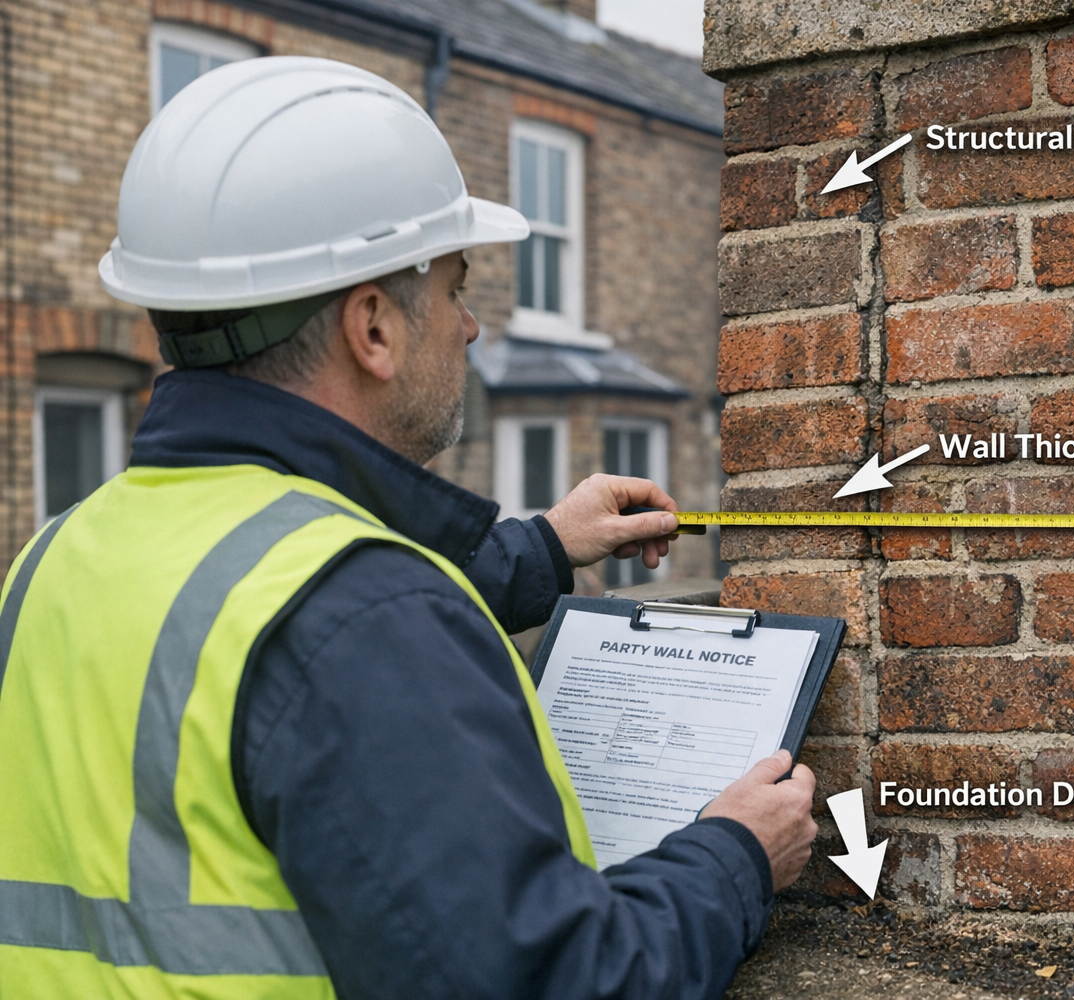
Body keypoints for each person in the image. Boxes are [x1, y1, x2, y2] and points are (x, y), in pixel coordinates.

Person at [0, 56, 816, 999]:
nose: (471, 326)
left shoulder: (52, 559)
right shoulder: (364, 616)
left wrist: (545, 549)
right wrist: (735, 858)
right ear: (374, 327)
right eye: (457, 287)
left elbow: (261, 647)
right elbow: (561, 982)